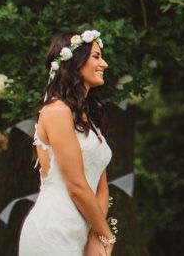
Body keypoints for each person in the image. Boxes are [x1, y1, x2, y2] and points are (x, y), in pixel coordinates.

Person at [19, 29, 116, 256]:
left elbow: (101, 186)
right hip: (53, 229)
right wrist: (107, 235)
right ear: (75, 61)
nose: (105, 63)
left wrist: (96, 236)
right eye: (96, 56)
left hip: (82, 232)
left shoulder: (89, 119)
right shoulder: (56, 111)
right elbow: (77, 186)